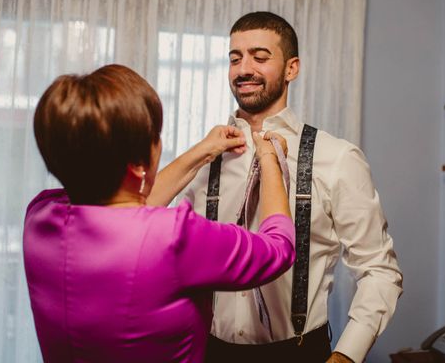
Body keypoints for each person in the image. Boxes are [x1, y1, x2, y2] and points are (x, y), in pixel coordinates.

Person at [154, 12, 403, 362]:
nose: (243, 69)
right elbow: (140, 217)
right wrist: (198, 153)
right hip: (209, 351)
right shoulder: (206, 157)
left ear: (291, 69)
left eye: (260, 56)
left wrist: (347, 355)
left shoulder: (337, 158)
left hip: (298, 353)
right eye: (235, 58)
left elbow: (380, 270)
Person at [23, 64, 296, 363]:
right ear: (138, 163)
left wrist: (204, 151)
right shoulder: (173, 236)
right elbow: (278, 248)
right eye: (155, 136)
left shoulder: (39, 216)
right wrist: (270, 157)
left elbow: (123, 209)